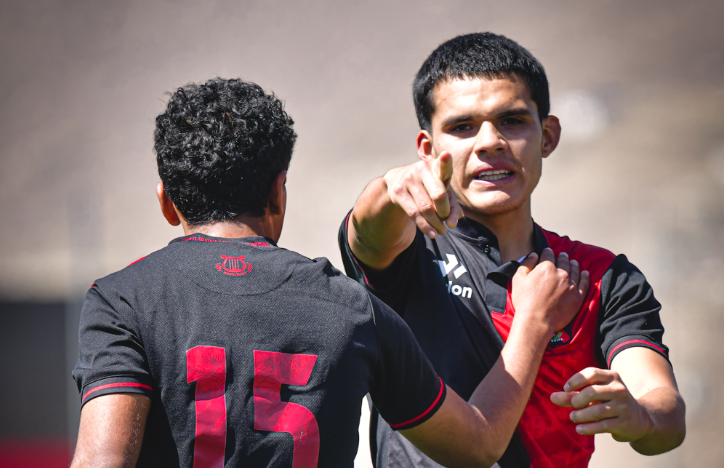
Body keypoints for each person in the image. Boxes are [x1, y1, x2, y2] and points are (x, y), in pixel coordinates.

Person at [70, 77, 588, 468]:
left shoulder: (123, 300)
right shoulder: (354, 308)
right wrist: (532, 327)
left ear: (166, 200)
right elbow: (476, 445)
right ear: (279, 191)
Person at [339, 33, 686, 468]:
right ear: (428, 151)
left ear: (548, 136)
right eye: (462, 127)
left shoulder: (603, 275)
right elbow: (368, 233)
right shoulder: (410, 247)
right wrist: (388, 189)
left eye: (512, 120)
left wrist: (642, 418)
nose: (490, 141)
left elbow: (666, 414)